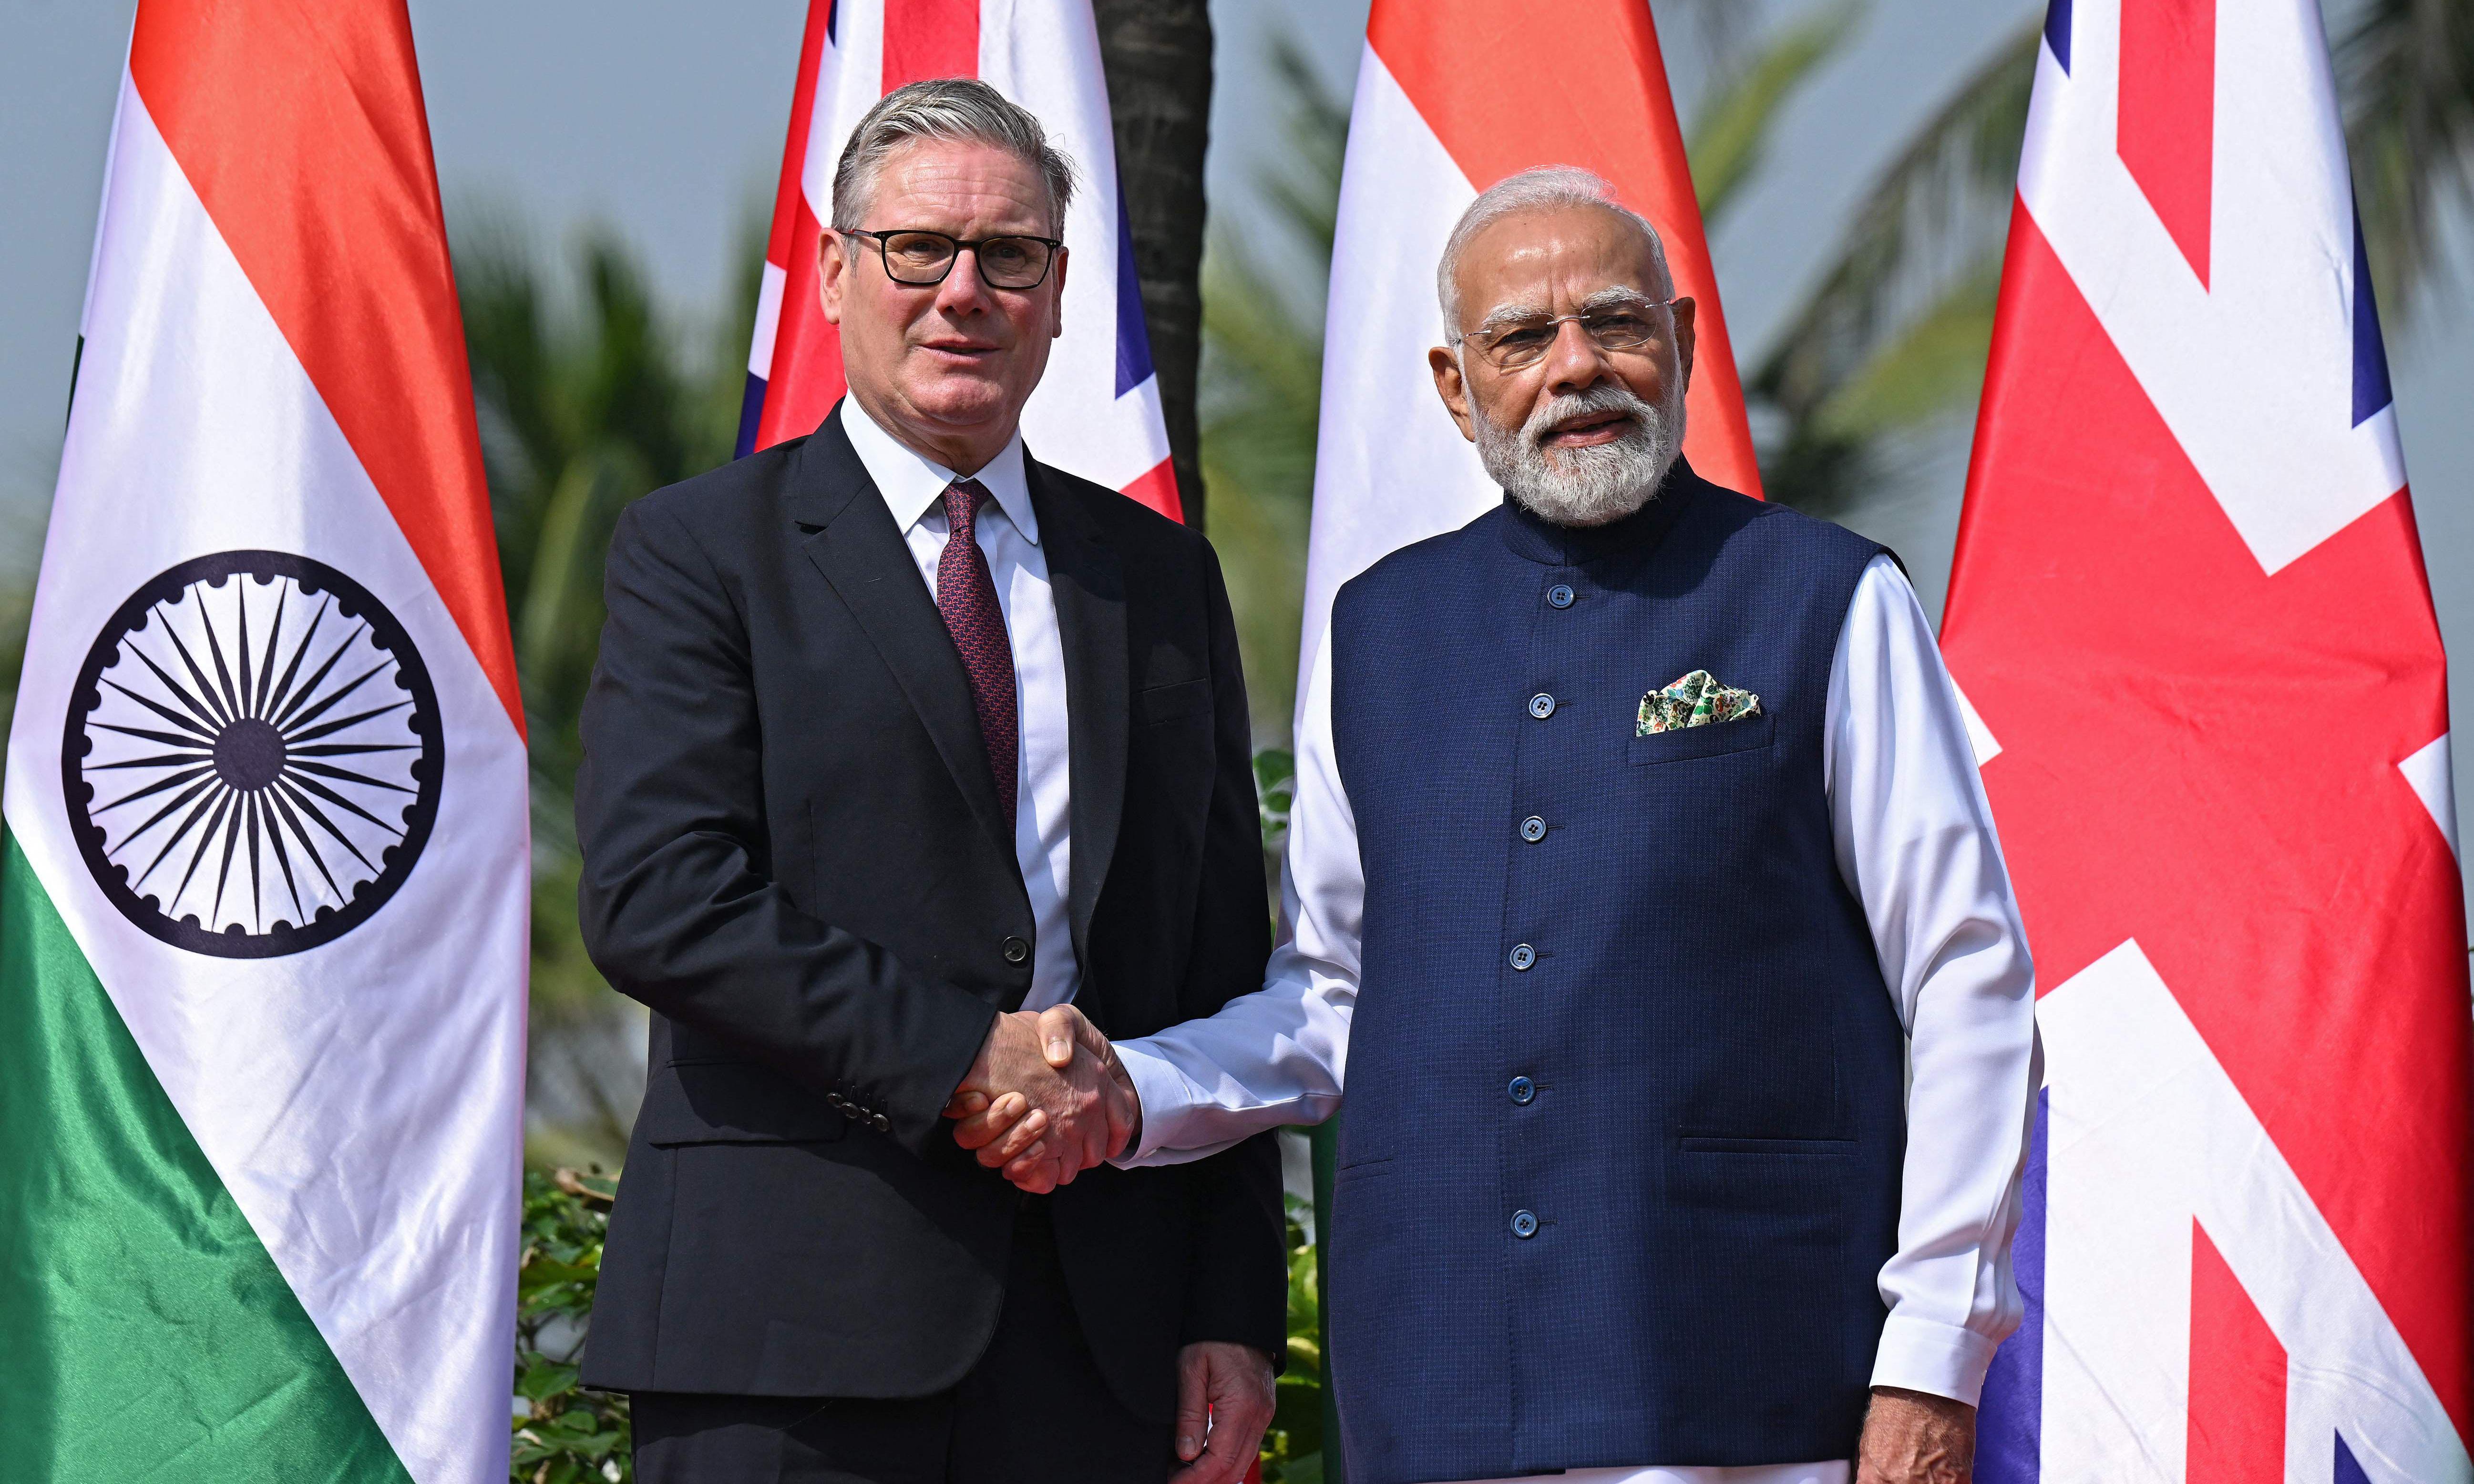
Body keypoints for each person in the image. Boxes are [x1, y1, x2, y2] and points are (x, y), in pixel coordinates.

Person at [959, 167, 2042, 1484]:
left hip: (1751, 1388)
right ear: (1454, 384)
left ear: (1686, 344)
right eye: (1523, 338)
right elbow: (1333, 1003)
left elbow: (1968, 977)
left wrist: (1934, 1353)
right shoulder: (1376, 631)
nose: (1576, 366)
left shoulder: (1828, 599)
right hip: (1440, 1391)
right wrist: (1132, 1087)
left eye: (1616, 322)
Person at [572, 79, 1285, 1484]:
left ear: (1061, 293)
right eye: (920, 250)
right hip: (781, 1339)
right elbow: (660, 898)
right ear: (837, 272)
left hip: (1099, 1345)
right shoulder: (702, 551)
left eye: (1009, 254)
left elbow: (1214, 959)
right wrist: (967, 1052)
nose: (965, 291)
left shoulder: (1153, 579)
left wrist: (1231, 1310)